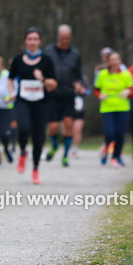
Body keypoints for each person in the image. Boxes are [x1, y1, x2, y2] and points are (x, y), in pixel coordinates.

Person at [8, 28, 57, 184]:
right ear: (25, 41)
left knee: (38, 137)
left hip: (41, 102)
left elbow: (53, 84)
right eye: (30, 39)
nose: (32, 42)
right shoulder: (17, 60)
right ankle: (23, 152)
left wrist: (42, 78)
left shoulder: (46, 60)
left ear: (39, 42)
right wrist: (11, 92)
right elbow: (10, 78)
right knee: (23, 128)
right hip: (23, 100)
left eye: (35, 39)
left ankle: (35, 168)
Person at [43, 25, 84, 167]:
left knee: (68, 124)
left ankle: (65, 156)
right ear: (58, 37)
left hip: (68, 94)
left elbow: (78, 75)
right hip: (52, 94)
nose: (64, 41)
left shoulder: (75, 54)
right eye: (62, 38)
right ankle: (54, 145)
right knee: (53, 127)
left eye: (67, 38)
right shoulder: (48, 51)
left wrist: (78, 84)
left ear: (70, 38)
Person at [94, 51, 133, 168]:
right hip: (107, 108)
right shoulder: (102, 74)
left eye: (118, 59)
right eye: (113, 59)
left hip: (123, 107)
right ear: (109, 62)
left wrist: (128, 91)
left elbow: (132, 91)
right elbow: (96, 89)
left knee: (120, 134)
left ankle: (115, 157)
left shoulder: (126, 74)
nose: (116, 61)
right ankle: (106, 148)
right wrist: (99, 95)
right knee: (110, 133)